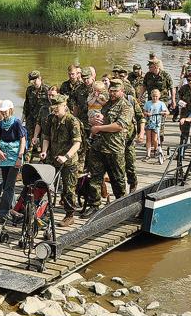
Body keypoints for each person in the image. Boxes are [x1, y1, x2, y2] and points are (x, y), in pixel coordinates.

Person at [82, 80, 134, 216]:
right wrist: (95, 120)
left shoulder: (126, 106)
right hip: (98, 146)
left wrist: (98, 128)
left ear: (122, 91)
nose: (112, 93)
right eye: (111, 90)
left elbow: (119, 125)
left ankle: (120, 205)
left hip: (114, 148)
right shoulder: (107, 104)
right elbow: (104, 119)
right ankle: (94, 205)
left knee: (118, 179)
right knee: (95, 178)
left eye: (115, 91)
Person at [37, 94, 82, 226]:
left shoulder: (72, 121)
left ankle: (69, 215)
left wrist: (66, 156)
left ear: (64, 106)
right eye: (53, 109)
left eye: (57, 109)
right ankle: (44, 213)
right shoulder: (51, 119)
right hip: (53, 158)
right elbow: (46, 137)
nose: (55, 112)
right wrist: (44, 151)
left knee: (68, 189)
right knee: (48, 186)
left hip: (68, 161)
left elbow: (77, 143)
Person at [0, 100, 26, 223]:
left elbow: (23, 140)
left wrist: (19, 158)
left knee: (9, 186)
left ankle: (3, 212)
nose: (3, 113)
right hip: (4, 158)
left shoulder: (16, 123)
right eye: (1, 111)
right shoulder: (1, 124)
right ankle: (16, 209)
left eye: (4, 111)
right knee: (6, 185)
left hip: (14, 158)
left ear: (10, 110)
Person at [23, 70, 49, 160]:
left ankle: (43, 161)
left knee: (43, 140)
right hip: (31, 119)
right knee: (29, 141)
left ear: (39, 78)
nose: (33, 83)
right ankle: (26, 163)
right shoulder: (29, 90)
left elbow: (52, 105)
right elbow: (26, 104)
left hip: (43, 120)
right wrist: (23, 117)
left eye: (35, 80)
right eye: (31, 81)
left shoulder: (47, 90)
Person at [142, 89, 168, 161]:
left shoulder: (161, 103)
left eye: (156, 96)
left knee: (154, 138)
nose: (155, 98)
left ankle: (156, 150)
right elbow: (144, 111)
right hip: (149, 122)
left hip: (157, 122)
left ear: (159, 96)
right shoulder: (148, 103)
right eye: (153, 96)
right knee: (148, 139)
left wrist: (163, 113)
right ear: (151, 96)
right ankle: (148, 154)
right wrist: (147, 114)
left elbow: (167, 112)